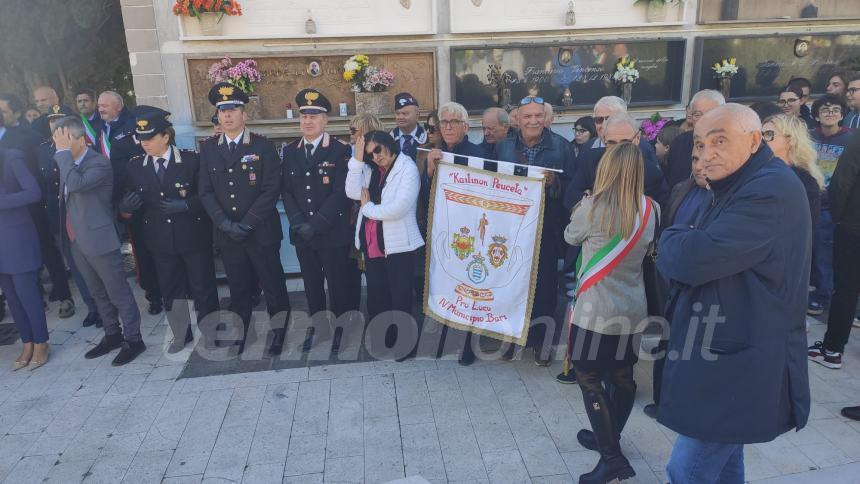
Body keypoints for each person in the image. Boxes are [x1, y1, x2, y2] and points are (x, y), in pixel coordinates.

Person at [657, 104, 811, 483]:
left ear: (755, 140)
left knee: (686, 469)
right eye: (701, 143)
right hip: (726, 349)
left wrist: (673, 236)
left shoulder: (768, 189)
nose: (707, 153)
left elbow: (689, 260)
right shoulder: (741, 182)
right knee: (725, 460)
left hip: (740, 355)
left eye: (720, 141)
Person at [562, 143, 658, 484]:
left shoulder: (593, 207)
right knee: (622, 377)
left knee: (589, 379)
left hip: (595, 311)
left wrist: (583, 203)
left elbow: (570, 237)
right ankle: (609, 437)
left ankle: (611, 458)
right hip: (632, 308)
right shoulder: (652, 209)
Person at [199, 82, 291, 355]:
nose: (227, 115)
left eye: (233, 109)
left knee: (273, 285)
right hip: (228, 233)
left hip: (260, 230)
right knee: (238, 287)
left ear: (245, 114)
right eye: (222, 110)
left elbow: (271, 188)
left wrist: (247, 223)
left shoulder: (262, 146)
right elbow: (204, 190)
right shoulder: (209, 148)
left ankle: (279, 332)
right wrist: (224, 223)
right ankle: (242, 333)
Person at [119, 107, 220, 353]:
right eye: (141, 138)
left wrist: (186, 204)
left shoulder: (190, 161)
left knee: (202, 287)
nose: (145, 143)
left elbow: (208, 196)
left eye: (150, 137)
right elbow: (127, 202)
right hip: (159, 240)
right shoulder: (135, 167)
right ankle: (180, 334)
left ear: (165, 136)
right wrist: (125, 209)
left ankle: (211, 333)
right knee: (171, 290)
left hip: (193, 236)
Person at [54, 116, 146, 366]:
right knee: (97, 293)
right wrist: (64, 156)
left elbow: (75, 184)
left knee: (117, 291)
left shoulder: (98, 163)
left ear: (80, 139)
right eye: (56, 139)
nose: (58, 144)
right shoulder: (67, 162)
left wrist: (62, 155)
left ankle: (134, 339)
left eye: (63, 139)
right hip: (76, 240)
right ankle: (112, 334)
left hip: (99, 238)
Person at [494, 96, 572, 366]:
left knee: (545, 288)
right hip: (510, 229)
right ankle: (512, 339)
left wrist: (555, 183)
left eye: (539, 115)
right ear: (517, 118)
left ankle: (542, 343)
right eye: (528, 116)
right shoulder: (503, 147)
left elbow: (571, 190)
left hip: (545, 230)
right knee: (510, 285)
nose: (534, 121)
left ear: (547, 118)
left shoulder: (561, 146)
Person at [281, 88, 359, 351]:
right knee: (312, 285)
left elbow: (341, 193)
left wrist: (315, 225)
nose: (307, 121)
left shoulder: (339, 150)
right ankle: (319, 329)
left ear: (325, 120)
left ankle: (341, 330)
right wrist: (296, 221)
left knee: (338, 285)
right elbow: (288, 190)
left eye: (314, 116)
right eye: (304, 116)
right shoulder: (290, 151)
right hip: (301, 232)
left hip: (330, 231)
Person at [642, 150, 710, 420]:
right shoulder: (682, 187)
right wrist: (660, 261)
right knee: (668, 340)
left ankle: (683, 402)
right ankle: (662, 401)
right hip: (669, 276)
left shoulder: (729, 196)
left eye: (706, 160)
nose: (700, 166)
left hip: (699, 283)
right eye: (695, 159)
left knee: (690, 347)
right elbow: (665, 228)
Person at [346, 131, 423, 328]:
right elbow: (352, 191)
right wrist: (357, 160)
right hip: (373, 245)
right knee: (378, 297)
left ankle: (404, 344)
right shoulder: (372, 169)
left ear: (388, 143)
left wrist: (368, 208)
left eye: (378, 150)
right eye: (370, 154)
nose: (376, 156)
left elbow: (399, 208)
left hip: (398, 246)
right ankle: (385, 339)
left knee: (400, 299)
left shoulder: (407, 168)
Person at [97, 91, 163, 315]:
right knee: (144, 254)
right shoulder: (121, 144)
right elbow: (117, 176)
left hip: (162, 203)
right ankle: (154, 295)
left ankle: (175, 289)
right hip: (137, 206)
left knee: (167, 250)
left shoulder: (161, 138)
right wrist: (120, 208)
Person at [36, 108, 101, 328]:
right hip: (58, 213)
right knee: (75, 265)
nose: (55, 125)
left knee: (93, 263)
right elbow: (44, 183)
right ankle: (92, 307)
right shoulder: (43, 149)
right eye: (51, 121)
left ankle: (104, 307)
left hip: (80, 211)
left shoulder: (78, 146)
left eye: (59, 121)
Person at [809, 130, 860, 370]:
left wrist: (839, 217)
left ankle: (832, 350)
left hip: (853, 224)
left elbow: (842, 180)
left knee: (846, 289)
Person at [0, 147, 50, 371]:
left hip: (17, 239)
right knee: (11, 297)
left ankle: (41, 342)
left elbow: (33, 192)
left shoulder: (11, 157)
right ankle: (27, 342)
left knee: (27, 295)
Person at [808, 94, 853, 316]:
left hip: (836, 205)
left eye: (835, 110)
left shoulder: (851, 140)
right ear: (816, 114)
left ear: (842, 115)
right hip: (812, 200)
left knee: (827, 251)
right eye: (825, 109)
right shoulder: (809, 137)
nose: (830, 113)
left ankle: (824, 295)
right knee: (815, 249)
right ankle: (821, 290)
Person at [762, 114, 824, 231]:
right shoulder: (756, 171)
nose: (762, 140)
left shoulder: (806, 180)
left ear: (789, 140)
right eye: (760, 135)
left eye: (769, 134)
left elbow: (806, 228)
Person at [664, 90, 725, 189]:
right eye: (697, 115)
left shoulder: (728, 147)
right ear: (691, 117)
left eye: (710, 114)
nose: (703, 120)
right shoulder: (679, 143)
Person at [390, 92, 425, 161]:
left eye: (405, 113)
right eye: (397, 113)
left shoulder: (428, 140)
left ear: (417, 115)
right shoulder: (389, 139)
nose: (400, 117)